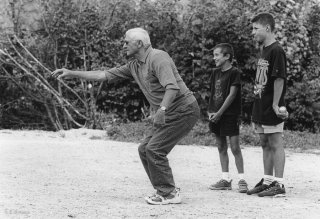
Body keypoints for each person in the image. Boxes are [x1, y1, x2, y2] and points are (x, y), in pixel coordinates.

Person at [52, 28, 200, 205]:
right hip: (169, 111)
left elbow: (172, 87)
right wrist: (72, 73)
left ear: (139, 44)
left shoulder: (158, 57)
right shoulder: (134, 65)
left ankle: (168, 193)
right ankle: (166, 189)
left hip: (184, 109)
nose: (123, 45)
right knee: (145, 149)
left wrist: (161, 110)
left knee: (154, 149)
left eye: (126, 42)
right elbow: (103, 75)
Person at [246, 13, 288, 197]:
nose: (252, 32)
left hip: (272, 104)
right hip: (260, 103)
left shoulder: (276, 50)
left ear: (268, 28)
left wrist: (275, 104)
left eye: (256, 28)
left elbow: (279, 79)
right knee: (264, 143)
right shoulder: (264, 49)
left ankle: (279, 184)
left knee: (275, 142)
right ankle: (268, 180)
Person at [207, 43, 248, 193]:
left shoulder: (234, 72)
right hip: (215, 115)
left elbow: (232, 96)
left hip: (230, 115)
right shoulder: (214, 72)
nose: (214, 58)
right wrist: (211, 112)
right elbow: (212, 93)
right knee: (221, 146)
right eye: (214, 55)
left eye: (217, 55)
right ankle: (225, 179)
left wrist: (220, 113)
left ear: (227, 57)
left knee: (235, 147)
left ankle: (242, 180)